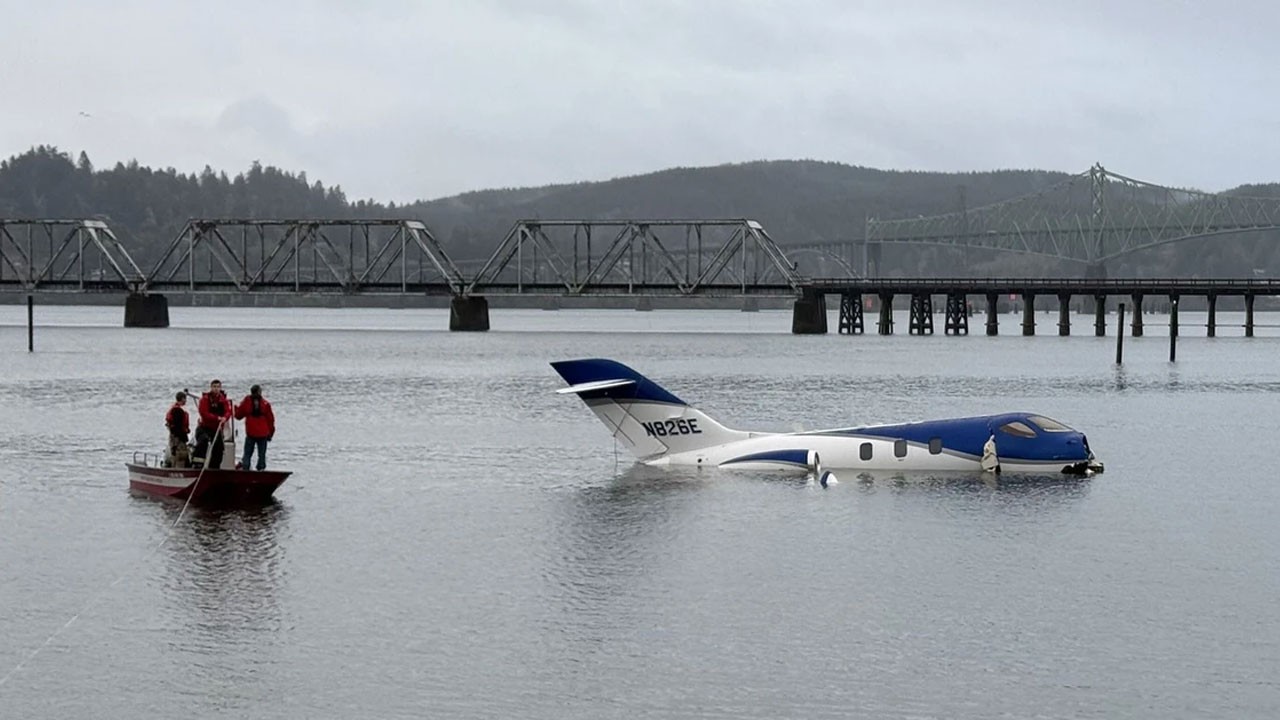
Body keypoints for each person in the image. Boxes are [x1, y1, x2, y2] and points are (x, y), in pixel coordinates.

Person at [193, 379, 234, 469]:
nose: (216, 389)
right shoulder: (205, 399)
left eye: (218, 387)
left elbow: (228, 411)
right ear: (211, 387)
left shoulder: (223, 400)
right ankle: (197, 465)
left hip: (217, 429)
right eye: (214, 387)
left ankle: (214, 467)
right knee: (203, 441)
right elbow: (203, 413)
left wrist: (225, 418)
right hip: (204, 427)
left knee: (219, 448)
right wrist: (217, 418)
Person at [235, 384, 275, 471]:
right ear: (260, 392)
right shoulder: (265, 404)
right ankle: (261, 468)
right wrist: (270, 433)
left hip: (251, 432)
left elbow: (238, 415)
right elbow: (271, 420)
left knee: (247, 453)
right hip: (263, 433)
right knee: (262, 454)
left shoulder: (246, 402)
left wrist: (234, 408)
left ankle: (245, 467)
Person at [164, 391, 190, 468]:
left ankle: (174, 466)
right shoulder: (178, 411)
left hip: (174, 436)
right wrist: (184, 436)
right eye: (185, 399)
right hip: (178, 438)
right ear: (182, 399)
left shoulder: (174, 409)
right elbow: (178, 426)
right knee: (180, 454)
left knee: (175, 453)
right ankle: (178, 468)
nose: (186, 401)